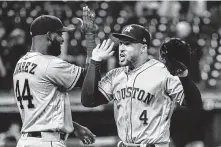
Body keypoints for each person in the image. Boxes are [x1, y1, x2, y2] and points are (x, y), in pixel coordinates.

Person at [81, 24, 202, 147]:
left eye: (127, 44)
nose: (121, 48)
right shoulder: (115, 75)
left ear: (143, 48)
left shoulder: (163, 72)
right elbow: (88, 101)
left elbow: (195, 103)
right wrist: (95, 61)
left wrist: (184, 76)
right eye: (121, 43)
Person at [13, 11, 96, 147]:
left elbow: (41, 111)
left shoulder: (20, 63)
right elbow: (90, 80)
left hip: (25, 141)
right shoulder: (49, 63)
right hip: (47, 142)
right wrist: (90, 38)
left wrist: (73, 127)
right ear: (49, 36)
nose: (62, 39)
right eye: (59, 34)